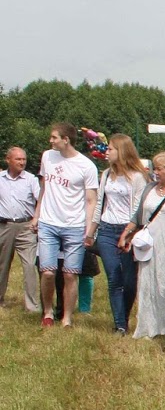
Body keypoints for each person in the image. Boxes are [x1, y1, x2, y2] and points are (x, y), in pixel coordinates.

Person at [34, 123, 99, 329]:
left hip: (74, 226)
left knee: (70, 274)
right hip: (48, 223)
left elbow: (91, 200)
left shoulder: (86, 166)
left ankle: (67, 318)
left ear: (66, 140)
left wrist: (89, 230)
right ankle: (47, 312)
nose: (50, 141)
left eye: (54, 137)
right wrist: (36, 215)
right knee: (47, 272)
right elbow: (43, 188)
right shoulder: (47, 157)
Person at [126, 151, 165, 339]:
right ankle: (149, 328)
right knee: (148, 286)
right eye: (155, 168)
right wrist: (126, 234)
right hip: (148, 247)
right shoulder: (149, 189)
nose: (156, 172)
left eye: (160, 169)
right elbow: (138, 216)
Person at [93, 133, 149, 335]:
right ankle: (120, 324)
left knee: (129, 281)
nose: (106, 152)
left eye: (110, 149)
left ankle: (123, 317)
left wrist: (130, 233)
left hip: (128, 229)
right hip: (107, 229)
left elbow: (139, 209)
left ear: (122, 151)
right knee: (114, 277)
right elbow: (100, 203)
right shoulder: (107, 174)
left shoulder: (138, 177)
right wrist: (91, 231)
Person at [0, 146, 41, 311]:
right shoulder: (0, 179)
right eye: (18, 159)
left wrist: (36, 219)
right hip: (5, 226)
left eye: (24, 159)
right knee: (2, 265)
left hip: (26, 227)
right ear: (8, 160)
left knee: (30, 265)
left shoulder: (31, 179)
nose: (22, 162)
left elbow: (41, 200)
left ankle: (32, 305)